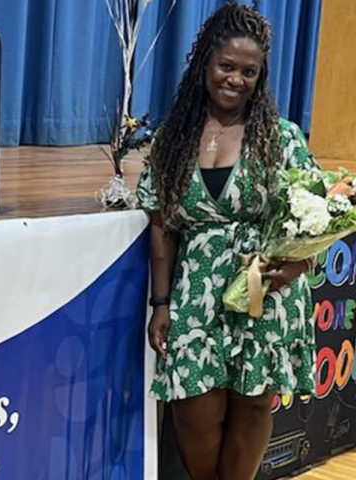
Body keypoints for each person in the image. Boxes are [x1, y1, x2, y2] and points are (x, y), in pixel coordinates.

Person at [137, 4, 318, 480]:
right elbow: (161, 226)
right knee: (192, 407)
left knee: (252, 405)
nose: (236, 79)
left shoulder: (281, 138)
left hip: (263, 286)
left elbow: (315, 216)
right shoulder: (172, 139)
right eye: (227, 66)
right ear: (205, 64)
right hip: (196, 289)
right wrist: (160, 303)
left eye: (249, 72)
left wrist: (297, 267)